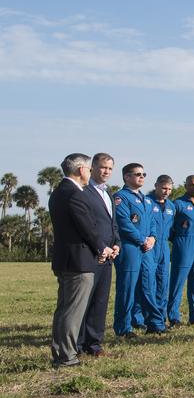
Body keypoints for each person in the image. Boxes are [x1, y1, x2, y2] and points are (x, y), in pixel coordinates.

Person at [49, 153, 114, 368]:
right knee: (73, 311)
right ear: (81, 170)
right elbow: (86, 227)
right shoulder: (75, 194)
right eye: (88, 168)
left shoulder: (58, 192)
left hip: (64, 259)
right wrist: (102, 248)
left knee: (64, 309)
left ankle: (60, 352)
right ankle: (67, 356)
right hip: (79, 261)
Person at [112, 162, 162, 337]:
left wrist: (153, 238)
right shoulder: (120, 197)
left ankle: (154, 323)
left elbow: (153, 224)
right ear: (127, 177)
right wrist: (142, 240)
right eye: (137, 174)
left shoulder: (147, 200)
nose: (141, 177)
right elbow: (124, 224)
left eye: (143, 174)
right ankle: (124, 328)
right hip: (130, 248)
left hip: (147, 250)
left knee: (148, 287)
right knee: (127, 288)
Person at [78, 152, 118, 357]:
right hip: (91, 254)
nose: (106, 172)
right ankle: (78, 344)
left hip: (108, 255)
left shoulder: (108, 192)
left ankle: (94, 344)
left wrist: (116, 244)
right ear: (92, 167)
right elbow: (86, 225)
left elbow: (112, 223)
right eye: (103, 167)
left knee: (100, 302)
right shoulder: (84, 191)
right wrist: (101, 247)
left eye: (110, 168)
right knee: (85, 301)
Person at [168, 175, 194, 326]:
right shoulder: (177, 204)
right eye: (191, 185)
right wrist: (179, 238)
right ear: (185, 186)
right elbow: (169, 225)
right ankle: (174, 317)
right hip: (183, 243)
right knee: (177, 282)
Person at [144, 175, 176, 328]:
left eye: (169, 189)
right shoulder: (147, 202)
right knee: (148, 284)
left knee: (163, 283)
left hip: (164, 247)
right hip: (149, 247)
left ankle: (161, 317)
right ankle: (144, 319)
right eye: (164, 188)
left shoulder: (171, 206)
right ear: (156, 185)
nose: (166, 192)